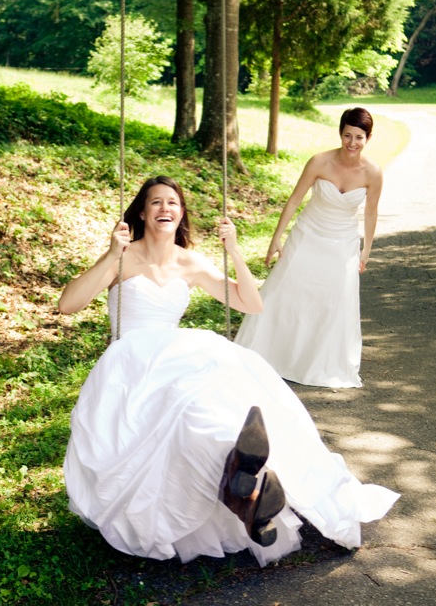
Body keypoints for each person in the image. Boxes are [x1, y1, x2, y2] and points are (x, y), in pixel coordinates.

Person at [59, 175, 397, 567]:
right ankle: (243, 492)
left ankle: (245, 486)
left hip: (175, 354)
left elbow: (250, 304)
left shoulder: (189, 262)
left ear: (181, 214)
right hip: (131, 360)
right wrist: (108, 255)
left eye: (173, 202)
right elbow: (68, 304)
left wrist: (234, 251)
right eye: (156, 202)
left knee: (206, 411)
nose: (165, 208)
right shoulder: (123, 256)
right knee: (181, 414)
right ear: (142, 213)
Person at [235, 107, 382, 388]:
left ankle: (316, 363)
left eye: (359, 137)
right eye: (347, 135)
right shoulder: (320, 162)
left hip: (343, 242)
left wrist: (366, 249)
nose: (352, 143)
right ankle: (270, 356)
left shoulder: (373, 173)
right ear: (340, 133)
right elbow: (294, 199)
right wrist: (276, 238)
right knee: (285, 291)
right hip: (308, 234)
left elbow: (371, 212)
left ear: (368, 138)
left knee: (334, 300)